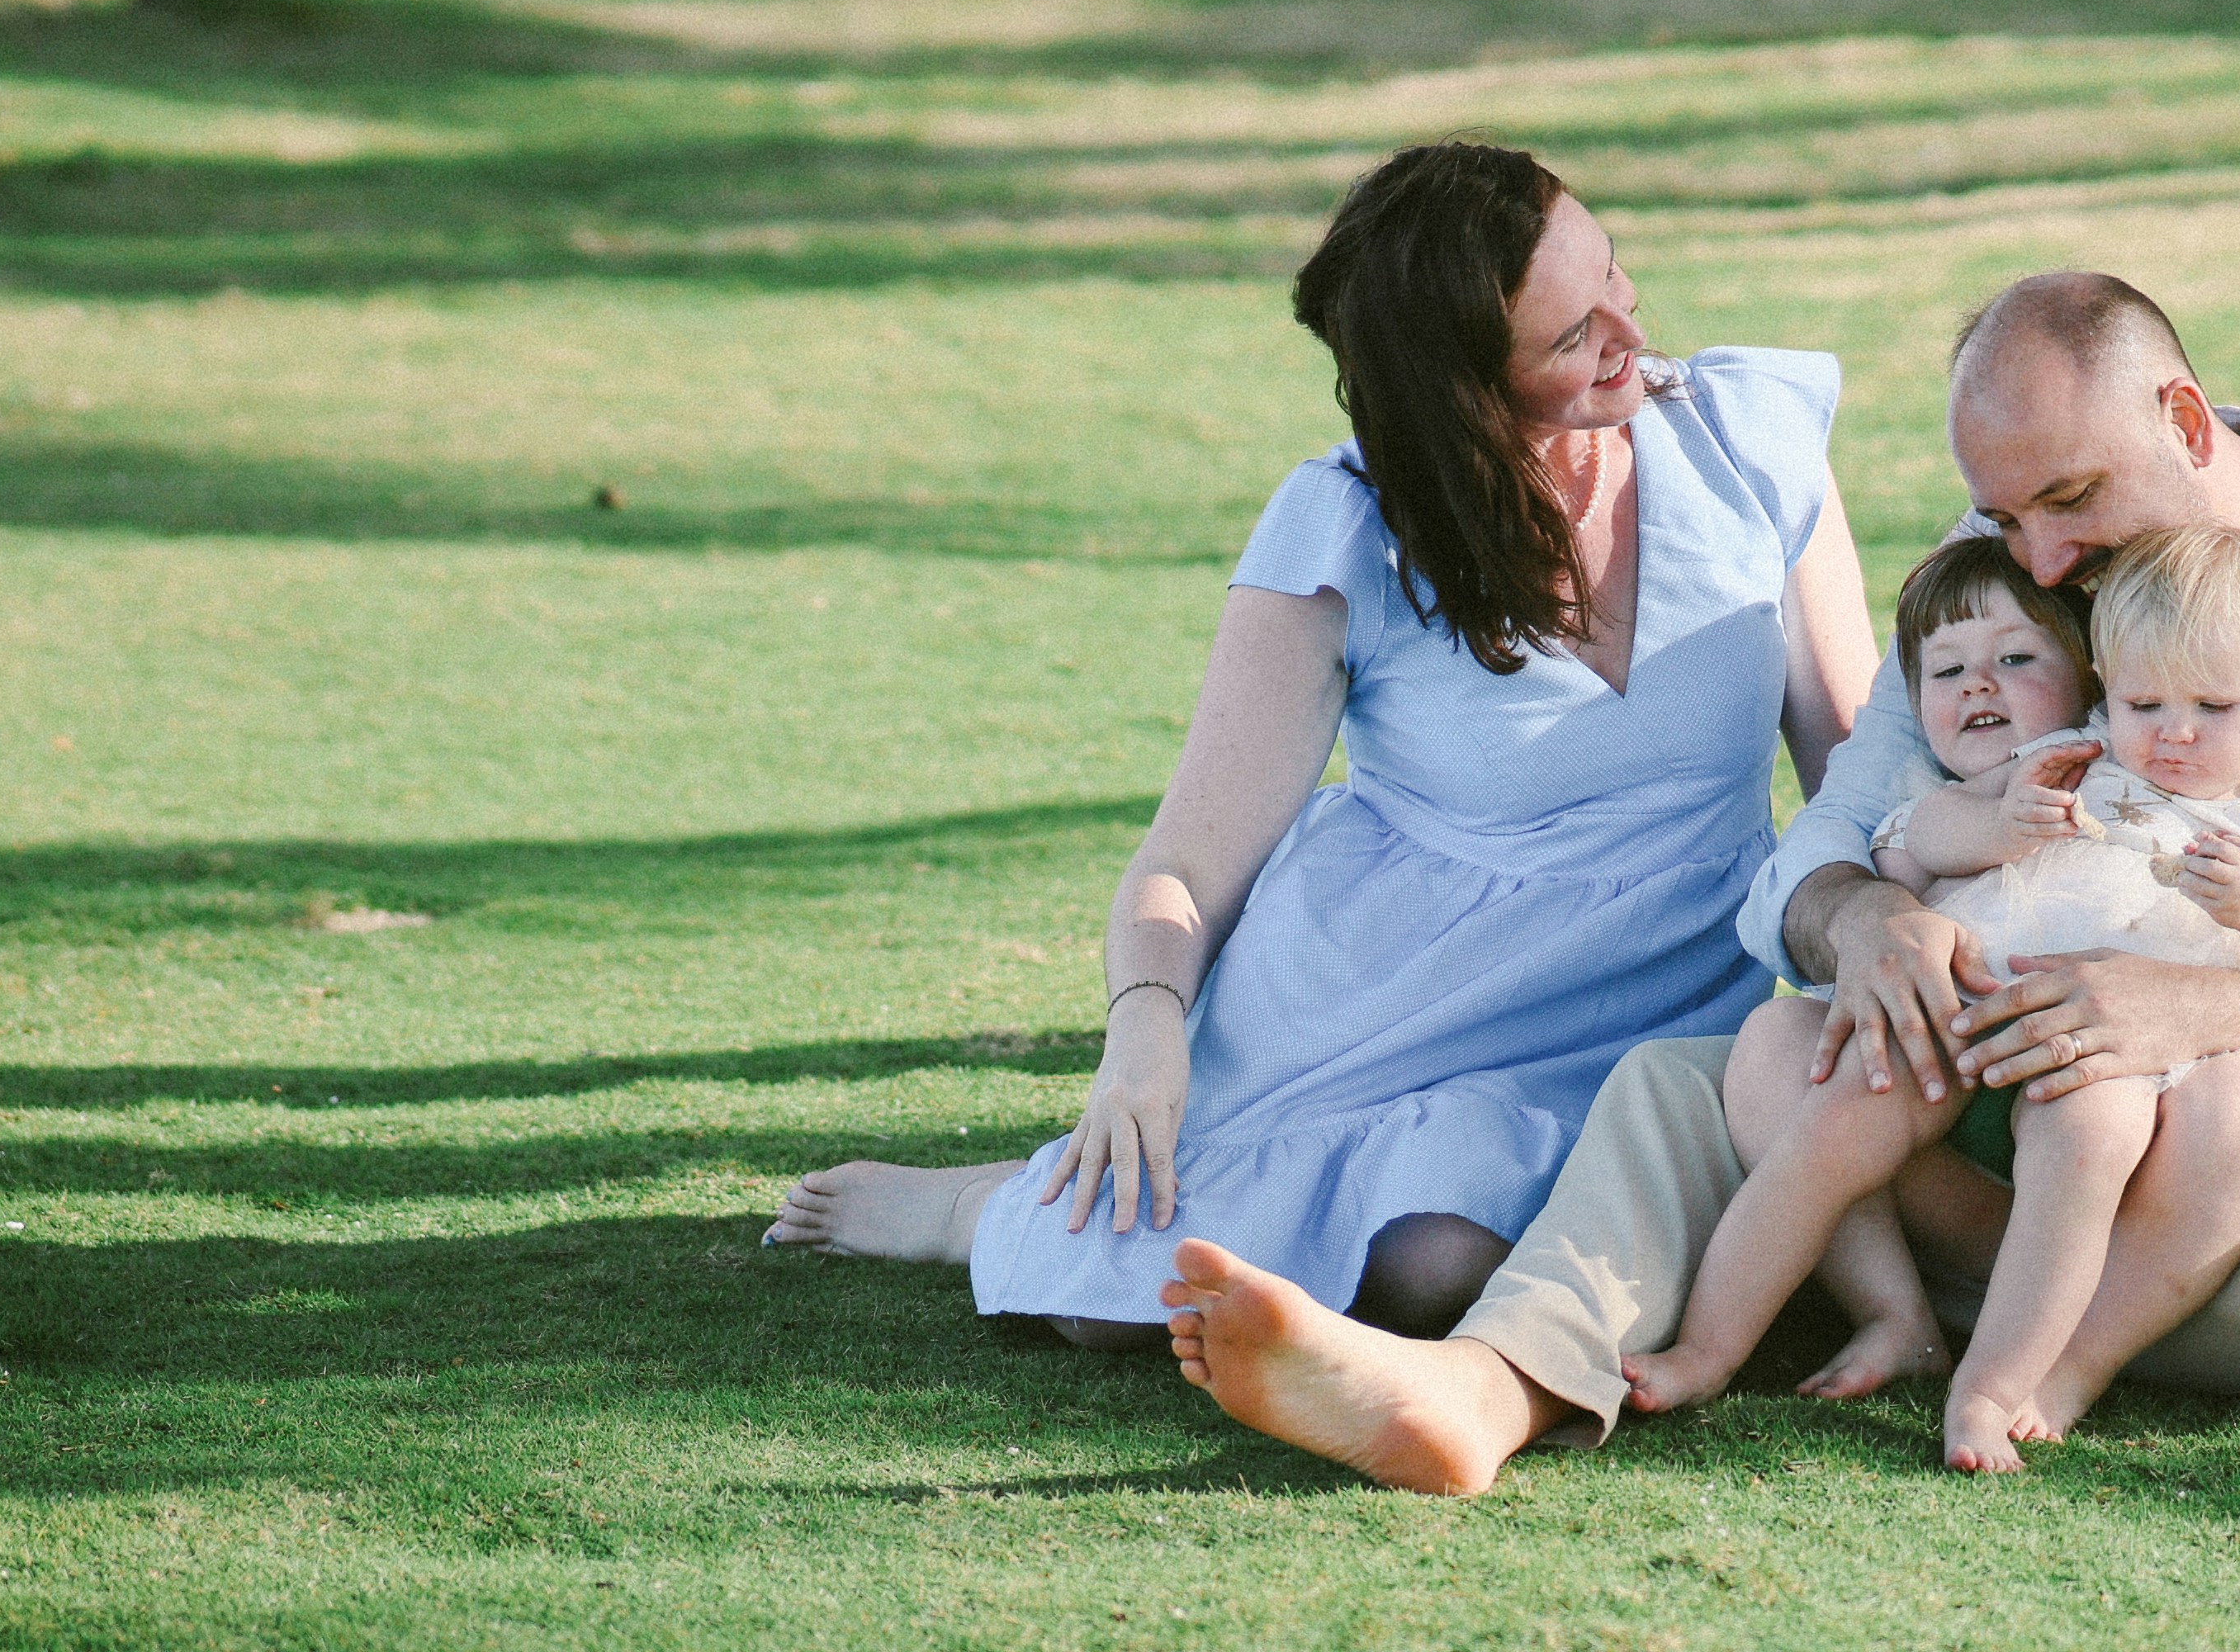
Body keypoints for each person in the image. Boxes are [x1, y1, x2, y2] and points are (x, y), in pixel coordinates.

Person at [1159, 267, 2240, 1493]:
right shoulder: (1998, 566)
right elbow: (1819, 857)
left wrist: (2201, 1013)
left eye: (2073, 499)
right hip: (1995, 1102)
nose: (2045, 559)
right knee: (1703, 1081)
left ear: (2185, 425)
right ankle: (1485, 1389)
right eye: (2007, 515)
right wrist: (1869, 914)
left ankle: (1941, 1302)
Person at [763, 140, 1879, 1342]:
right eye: (1571, 337)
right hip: (1381, 1007)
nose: (1628, 327)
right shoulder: (1347, 531)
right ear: (1463, 389)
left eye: (1614, 273)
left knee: (1439, 1270)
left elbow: (1856, 767)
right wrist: (1141, 1036)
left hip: (1657, 1007)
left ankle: (1042, 1210)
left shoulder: (1749, 444)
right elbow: (1188, 861)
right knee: (1136, 1303)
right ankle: (987, 1210)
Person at [1627, 523, 2240, 1470]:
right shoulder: (2069, 764)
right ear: (2102, 687)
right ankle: (1718, 1344)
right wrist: (1995, 826)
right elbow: (1903, 842)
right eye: (2142, 700)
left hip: (2118, 1078)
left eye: (2213, 704)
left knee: (2095, 1127)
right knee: (1830, 1122)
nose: (2174, 731)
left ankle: (2016, 1383)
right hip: (1968, 1026)